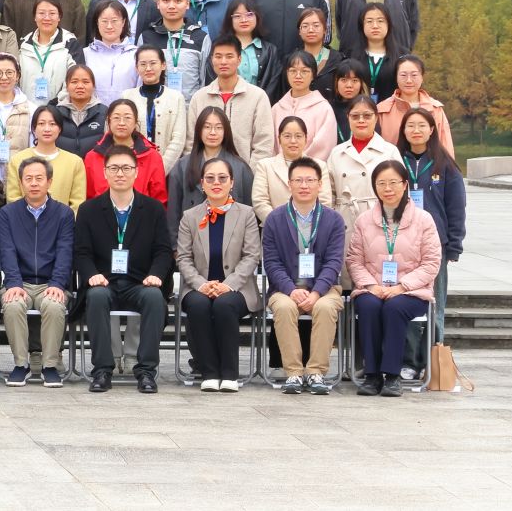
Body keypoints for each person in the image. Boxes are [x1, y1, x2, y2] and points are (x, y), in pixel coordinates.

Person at [74, 145, 173, 394]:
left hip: (140, 282)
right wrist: (91, 275)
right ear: (104, 172)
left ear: (136, 172)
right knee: (96, 296)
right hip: (104, 281)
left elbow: (163, 250)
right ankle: (102, 370)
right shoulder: (88, 210)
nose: (120, 173)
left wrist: (156, 275)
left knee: (154, 298)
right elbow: (81, 252)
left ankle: (146, 370)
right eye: (114, 168)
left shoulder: (153, 209)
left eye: (126, 168)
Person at [348, 160, 442, 396]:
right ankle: (371, 375)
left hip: (411, 291)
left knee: (395, 307)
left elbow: (431, 263)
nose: (387, 188)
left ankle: (392, 376)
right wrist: (371, 285)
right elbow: (354, 260)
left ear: (405, 184)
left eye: (393, 182)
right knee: (368, 306)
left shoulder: (424, 220)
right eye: (381, 183)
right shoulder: (364, 221)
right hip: (373, 288)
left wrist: (402, 286)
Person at [174, 159, 263, 391]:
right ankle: (209, 372)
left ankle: (230, 374)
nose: (216, 183)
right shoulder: (190, 217)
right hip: (198, 286)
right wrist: (201, 284)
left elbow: (251, 255)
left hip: (238, 288)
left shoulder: (246, 214)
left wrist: (228, 284)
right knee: (199, 304)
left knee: (224, 304)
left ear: (232, 182)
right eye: (210, 178)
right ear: (202, 183)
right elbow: (183, 258)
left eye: (222, 178)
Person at [261, 156, 345, 395]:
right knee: (284, 307)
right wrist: (291, 290)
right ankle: (294, 373)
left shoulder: (333, 219)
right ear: (289, 184)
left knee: (326, 308)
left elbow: (334, 262)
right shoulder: (275, 219)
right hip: (284, 289)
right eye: (298, 180)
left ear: (320, 184)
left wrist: (317, 292)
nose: (304, 185)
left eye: (310, 180)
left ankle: (316, 372)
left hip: (324, 289)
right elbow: (272, 262)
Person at [0, 156, 75, 387]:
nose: (33, 183)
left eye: (39, 178)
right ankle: (21, 365)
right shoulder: (8, 213)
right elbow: (7, 251)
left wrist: (57, 284)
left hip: (50, 283)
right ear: (21, 182)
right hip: (19, 282)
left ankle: (49, 366)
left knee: (54, 305)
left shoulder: (64, 214)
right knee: (12, 304)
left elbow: (65, 252)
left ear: (49, 181)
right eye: (28, 178)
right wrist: (13, 283)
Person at [400, 108, 467, 340]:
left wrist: (454, 245)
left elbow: (456, 208)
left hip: (435, 244)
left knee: (435, 302)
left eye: (422, 125)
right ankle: (407, 354)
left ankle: (434, 350)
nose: (416, 130)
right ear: (403, 130)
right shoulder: (395, 161)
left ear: (431, 130)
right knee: (404, 299)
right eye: (410, 125)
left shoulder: (445, 164)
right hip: (400, 243)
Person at [188, 38, 276, 161]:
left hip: (244, 170)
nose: (223, 62)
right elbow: (191, 142)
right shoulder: (199, 97)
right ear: (212, 59)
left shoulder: (257, 97)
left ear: (239, 59)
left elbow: (264, 144)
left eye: (229, 56)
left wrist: (249, 171)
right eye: (218, 57)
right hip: (205, 171)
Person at [166, 107, 248, 231]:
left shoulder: (240, 167)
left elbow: (248, 211)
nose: (212, 132)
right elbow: (173, 213)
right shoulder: (182, 166)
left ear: (226, 131)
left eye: (219, 127)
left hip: (231, 236)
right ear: (199, 129)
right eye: (207, 127)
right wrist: (175, 242)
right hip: (191, 236)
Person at [325, 96, 401, 229]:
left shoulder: (389, 151)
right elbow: (329, 194)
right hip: (345, 221)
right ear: (348, 117)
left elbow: (401, 191)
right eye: (355, 116)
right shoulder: (336, 153)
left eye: (367, 116)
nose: (361, 120)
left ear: (376, 118)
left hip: (381, 219)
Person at [255, 116, 341, 221]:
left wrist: (306, 224)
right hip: (275, 227)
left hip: (312, 227)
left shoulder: (320, 166)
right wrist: (279, 224)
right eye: (287, 136)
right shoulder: (265, 166)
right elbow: (260, 201)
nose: (293, 141)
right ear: (279, 139)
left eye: (298, 136)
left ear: (306, 139)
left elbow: (324, 202)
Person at [84, 98, 168, 205]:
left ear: (136, 122)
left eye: (127, 118)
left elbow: (159, 199)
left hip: (142, 214)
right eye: (116, 118)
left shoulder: (152, 156)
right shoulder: (93, 157)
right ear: (108, 121)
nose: (122, 123)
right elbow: (89, 197)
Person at [138, 0, 210, 98]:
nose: (171, 6)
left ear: (187, 4)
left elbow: (205, 80)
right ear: (158, 4)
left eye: (178, 1)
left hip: (190, 106)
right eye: (166, 1)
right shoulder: (146, 38)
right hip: (156, 105)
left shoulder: (201, 38)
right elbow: (140, 78)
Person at [7, 104, 85, 210]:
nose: (47, 129)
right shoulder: (17, 160)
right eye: (41, 124)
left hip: (63, 220)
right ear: (34, 128)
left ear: (60, 129)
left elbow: (77, 203)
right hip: (25, 219)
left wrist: (66, 220)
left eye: (52, 124)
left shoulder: (75, 162)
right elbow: (13, 199)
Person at [376, 55, 455, 155]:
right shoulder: (382, 110)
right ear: (396, 77)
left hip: (430, 164)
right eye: (403, 75)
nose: (409, 80)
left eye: (414, 75)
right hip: (392, 164)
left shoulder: (435, 109)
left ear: (422, 77)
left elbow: (446, 146)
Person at [268, 52, 337, 162]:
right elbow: (270, 144)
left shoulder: (323, 108)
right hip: (277, 168)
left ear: (313, 75)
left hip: (311, 169)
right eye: (293, 71)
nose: (298, 76)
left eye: (304, 71)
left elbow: (324, 146)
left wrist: (301, 166)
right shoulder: (277, 109)